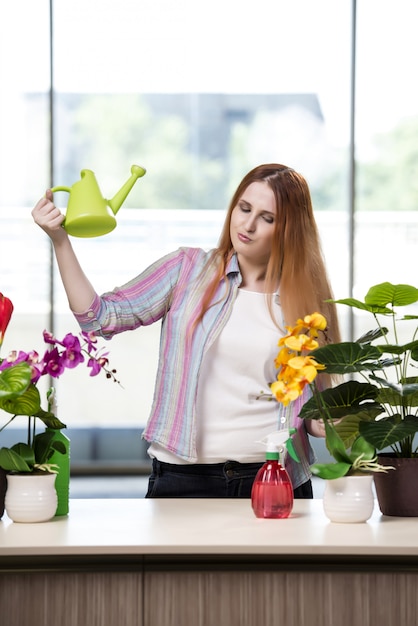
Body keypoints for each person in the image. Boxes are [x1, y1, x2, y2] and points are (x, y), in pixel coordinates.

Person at [32, 163, 341, 499]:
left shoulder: (307, 299)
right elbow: (100, 318)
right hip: (182, 479)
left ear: (289, 229)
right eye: (244, 208)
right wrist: (60, 241)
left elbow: (313, 408)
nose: (248, 225)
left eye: (267, 218)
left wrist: (325, 423)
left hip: (274, 478)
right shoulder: (187, 271)